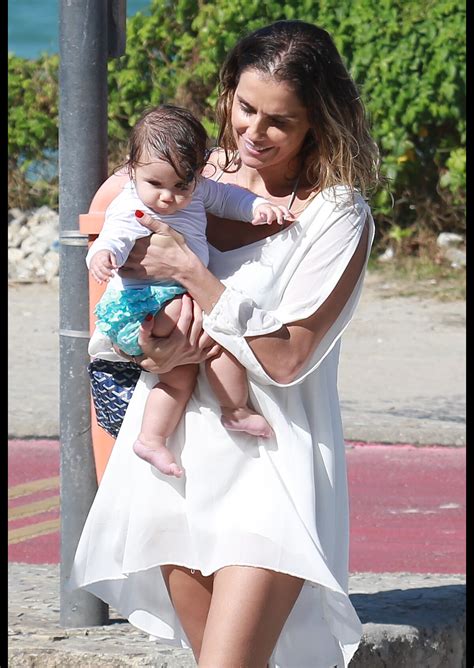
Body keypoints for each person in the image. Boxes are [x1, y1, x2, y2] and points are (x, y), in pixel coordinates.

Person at [69, 19, 380, 667]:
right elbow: (126, 302)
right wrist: (154, 348)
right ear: (228, 94)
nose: (254, 133)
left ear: (318, 121)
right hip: (174, 465)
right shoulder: (189, 179)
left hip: (272, 473)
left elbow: (289, 355)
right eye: (245, 108)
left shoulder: (337, 214)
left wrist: (191, 273)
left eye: (280, 121)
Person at [87, 104, 292, 476]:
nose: (168, 198)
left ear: (197, 175)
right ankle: (226, 411)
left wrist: (259, 207)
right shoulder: (131, 204)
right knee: (205, 327)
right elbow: (114, 237)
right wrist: (102, 255)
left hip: (177, 297)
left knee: (187, 370)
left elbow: (230, 199)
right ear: (132, 170)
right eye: (156, 184)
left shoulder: (198, 192)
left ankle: (182, 428)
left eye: (182, 185)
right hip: (139, 306)